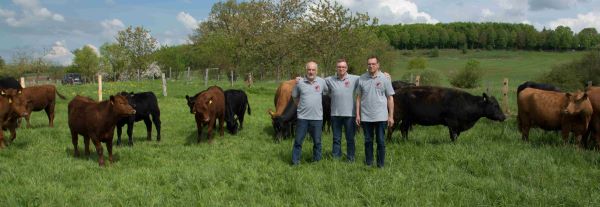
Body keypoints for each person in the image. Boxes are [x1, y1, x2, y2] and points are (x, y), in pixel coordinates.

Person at [355, 56, 394, 168]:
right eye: (369, 64)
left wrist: (391, 116)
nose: (371, 66)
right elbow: (358, 97)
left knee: (381, 141)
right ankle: (368, 163)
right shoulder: (362, 78)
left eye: (373, 64)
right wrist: (358, 115)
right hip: (366, 117)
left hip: (381, 116)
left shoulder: (385, 78)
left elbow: (390, 98)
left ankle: (380, 164)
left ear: (378, 65)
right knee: (368, 141)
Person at [291, 61, 329, 165]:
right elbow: (294, 96)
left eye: (313, 70)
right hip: (302, 118)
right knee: (298, 141)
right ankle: (295, 162)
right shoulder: (300, 83)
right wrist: (298, 105)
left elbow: (326, 92)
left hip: (317, 118)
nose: (311, 72)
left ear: (316, 71)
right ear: (306, 70)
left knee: (317, 141)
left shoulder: (322, 82)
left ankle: (316, 161)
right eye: (309, 69)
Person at [325, 59, 358, 161]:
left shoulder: (355, 79)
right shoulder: (330, 79)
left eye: (343, 67)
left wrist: (384, 75)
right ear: (336, 68)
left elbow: (368, 78)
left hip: (350, 115)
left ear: (346, 68)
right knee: (336, 139)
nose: (341, 69)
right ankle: (336, 158)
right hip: (335, 114)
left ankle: (351, 158)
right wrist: (301, 79)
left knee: (350, 138)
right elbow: (315, 79)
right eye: (339, 67)